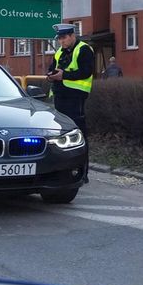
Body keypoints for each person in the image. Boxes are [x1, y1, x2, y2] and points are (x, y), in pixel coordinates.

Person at [47, 23, 95, 180]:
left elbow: (86, 71)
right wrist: (50, 75)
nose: (61, 42)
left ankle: (82, 173)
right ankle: (62, 170)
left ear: (72, 36)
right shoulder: (59, 52)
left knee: (78, 134)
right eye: (59, 39)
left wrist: (64, 76)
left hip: (76, 98)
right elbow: (53, 68)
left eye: (64, 38)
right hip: (60, 97)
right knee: (61, 135)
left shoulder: (84, 49)